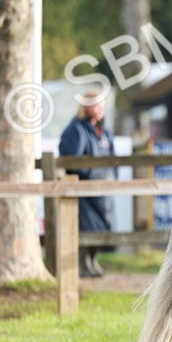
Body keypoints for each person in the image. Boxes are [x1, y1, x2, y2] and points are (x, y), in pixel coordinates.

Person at [58, 95, 115, 278]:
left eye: (102, 105)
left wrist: (110, 177)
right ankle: (83, 264)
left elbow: (113, 158)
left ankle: (92, 260)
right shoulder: (76, 129)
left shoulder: (104, 131)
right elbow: (71, 160)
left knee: (102, 226)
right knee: (87, 226)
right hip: (84, 190)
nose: (99, 109)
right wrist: (93, 173)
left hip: (103, 190)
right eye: (95, 105)